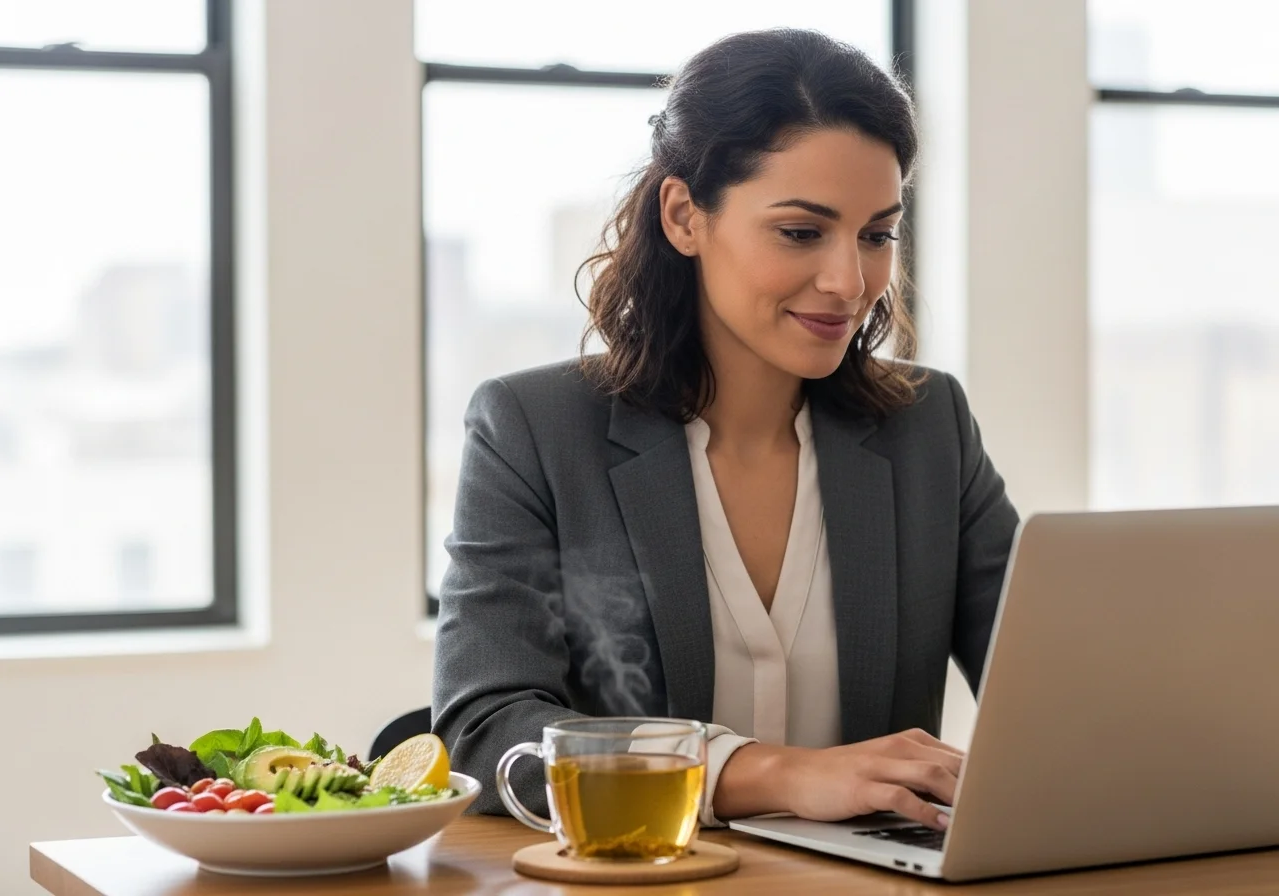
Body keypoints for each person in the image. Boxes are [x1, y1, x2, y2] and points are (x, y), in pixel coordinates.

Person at [432, 27, 1018, 833]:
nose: (851, 281)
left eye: (877, 234)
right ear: (683, 215)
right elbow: (483, 731)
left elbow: (1055, 699)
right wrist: (772, 772)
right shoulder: (535, 430)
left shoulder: (930, 430)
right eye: (802, 232)